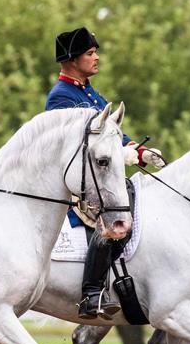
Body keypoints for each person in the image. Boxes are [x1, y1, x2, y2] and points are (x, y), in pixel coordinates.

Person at [46, 27, 165, 318]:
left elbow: (113, 138)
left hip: (103, 179)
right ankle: (91, 293)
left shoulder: (89, 93)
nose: (96, 57)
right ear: (72, 59)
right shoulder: (61, 98)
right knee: (111, 223)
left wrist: (138, 151)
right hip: (82, 186)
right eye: (90, 53)